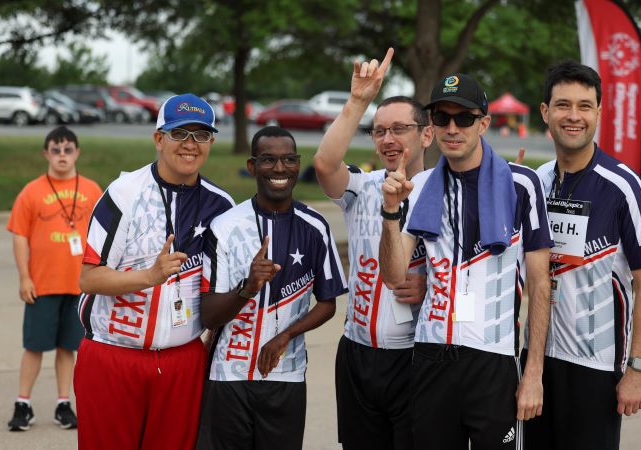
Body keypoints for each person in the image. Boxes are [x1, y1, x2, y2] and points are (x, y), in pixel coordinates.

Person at [379, 72, 553, 449]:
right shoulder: (420, 186)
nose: (452, 128)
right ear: (432, 126)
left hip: (493, 358)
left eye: (464, 118)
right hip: (430, 356)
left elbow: (540, 282)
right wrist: (390, 212)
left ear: (484, 123)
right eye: (441, 118)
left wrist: (534, 371)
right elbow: (394, 276)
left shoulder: (521, 184)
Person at [75, 93, 235, 450]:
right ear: (159, 139)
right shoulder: (123, 193)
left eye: (202, 135)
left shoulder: (222, 205)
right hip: (114, 355)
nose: (191, 145)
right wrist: (149, 276)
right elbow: (89, 277)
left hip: (182, 360)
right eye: (180, 134)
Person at [523, 60, 641, 450]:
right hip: (534, 361)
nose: (574, 116)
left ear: (599, 112)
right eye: (563, 105)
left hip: (595, 367)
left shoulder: (623, 186)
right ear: (545, 112)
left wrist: (637, 369)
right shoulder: (535, 182)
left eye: (585, 106)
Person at [196, 126, 347, 450]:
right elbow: (208, 316)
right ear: (252, 166)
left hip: (286, 377)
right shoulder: (225, 227)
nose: (280, 169)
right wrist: (248, 287)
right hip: (228, 376)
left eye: (288, 160)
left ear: (297, 164)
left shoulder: (315, 227)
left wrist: (285, 336)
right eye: (268, 160)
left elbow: (328, 303)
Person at [313, 48, 432, 450]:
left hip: (417, 358)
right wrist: (357, 102)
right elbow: (326, 166)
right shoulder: (364, 186)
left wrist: (428, 286)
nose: (388, 139)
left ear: (426, 135)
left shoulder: (445, 191)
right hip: (358, 353)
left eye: (399, 129)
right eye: (379, 131)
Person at [6, 126, 102, 432]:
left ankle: (64, 403)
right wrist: (24, 277)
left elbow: (104, 236)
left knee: (68, 347)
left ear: (77, 153)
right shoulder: (31, 192)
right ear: (46, 154)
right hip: (43, 284)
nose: (62, 155)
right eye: (56, 150)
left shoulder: (91, 189)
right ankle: (23, 403)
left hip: (80, 285)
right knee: (34, 346)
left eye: (68, 149)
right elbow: (20, 237)